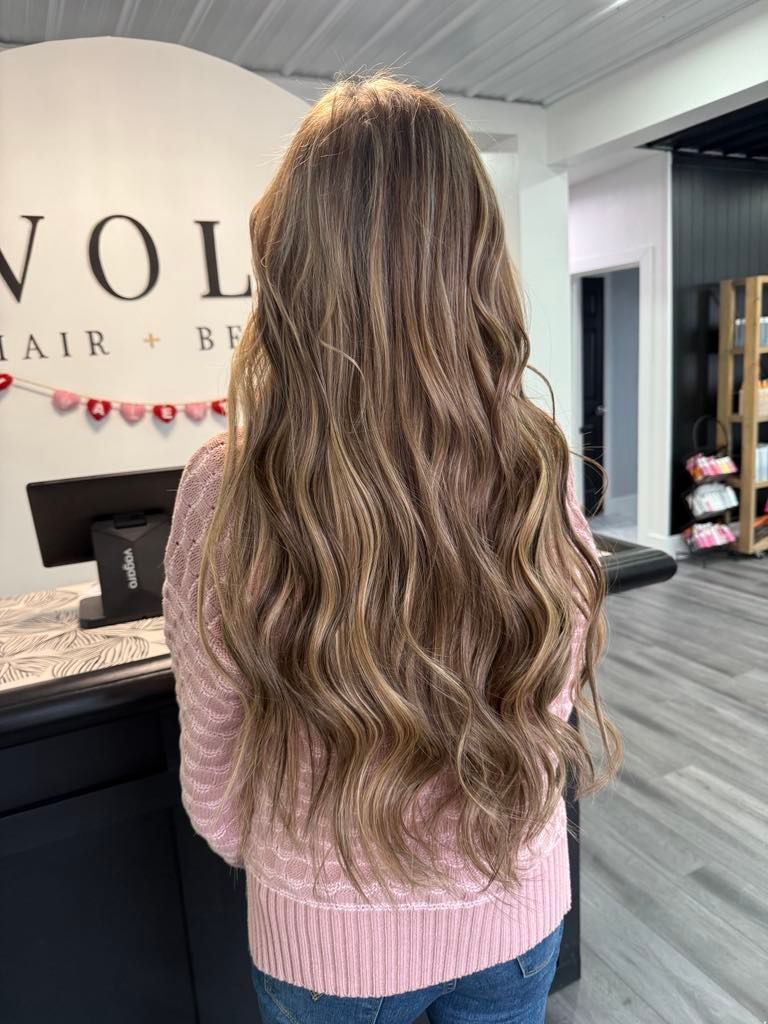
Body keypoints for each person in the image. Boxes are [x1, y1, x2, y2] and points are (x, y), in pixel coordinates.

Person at [162, 73, 623, 1024]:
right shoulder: (533, 459)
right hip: (514, 906)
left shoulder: (228, 488)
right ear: (475, 258)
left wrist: (291, 868)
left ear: (290, 262)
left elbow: (212, 749)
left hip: (328, 948)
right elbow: (556, 681)